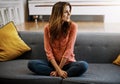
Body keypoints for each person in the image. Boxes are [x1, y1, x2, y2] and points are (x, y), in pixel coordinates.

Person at [27, 1, 88, 79]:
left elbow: (69, 50)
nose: (69, 14)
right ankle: (61, 74)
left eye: (69, 11)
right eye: (66, 12)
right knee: (31, 64)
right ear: (58, 13)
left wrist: (58, 70)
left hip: (68, 64)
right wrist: (58, 69)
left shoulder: (73, 26)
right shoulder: (47, 28)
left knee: (83, 65)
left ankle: (59, 74)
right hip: (53, 64)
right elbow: (48, 52)